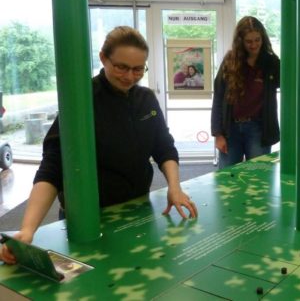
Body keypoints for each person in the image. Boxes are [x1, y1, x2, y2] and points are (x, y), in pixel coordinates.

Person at [1, 26, 197, 264]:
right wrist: (28, 229)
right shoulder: (81, 99)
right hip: (88, 221)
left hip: (137, 210)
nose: (129, 76)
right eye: (121, 67)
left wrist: (174, 187)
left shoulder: (146, 98)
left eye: (138, 69)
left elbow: (164, 148)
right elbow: (53, 167)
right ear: (103, 57)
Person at [211, 16, 280, 169]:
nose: (254, 45)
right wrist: (218, 134)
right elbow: (218, 97)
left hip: (258, 129)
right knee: (227, 178)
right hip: (230, 129)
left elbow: (288, 84)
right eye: (249, 41)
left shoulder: (271, 62)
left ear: (263, 38)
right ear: (240, 41)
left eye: (257, 40)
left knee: (258, 176)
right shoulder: (230, 61)